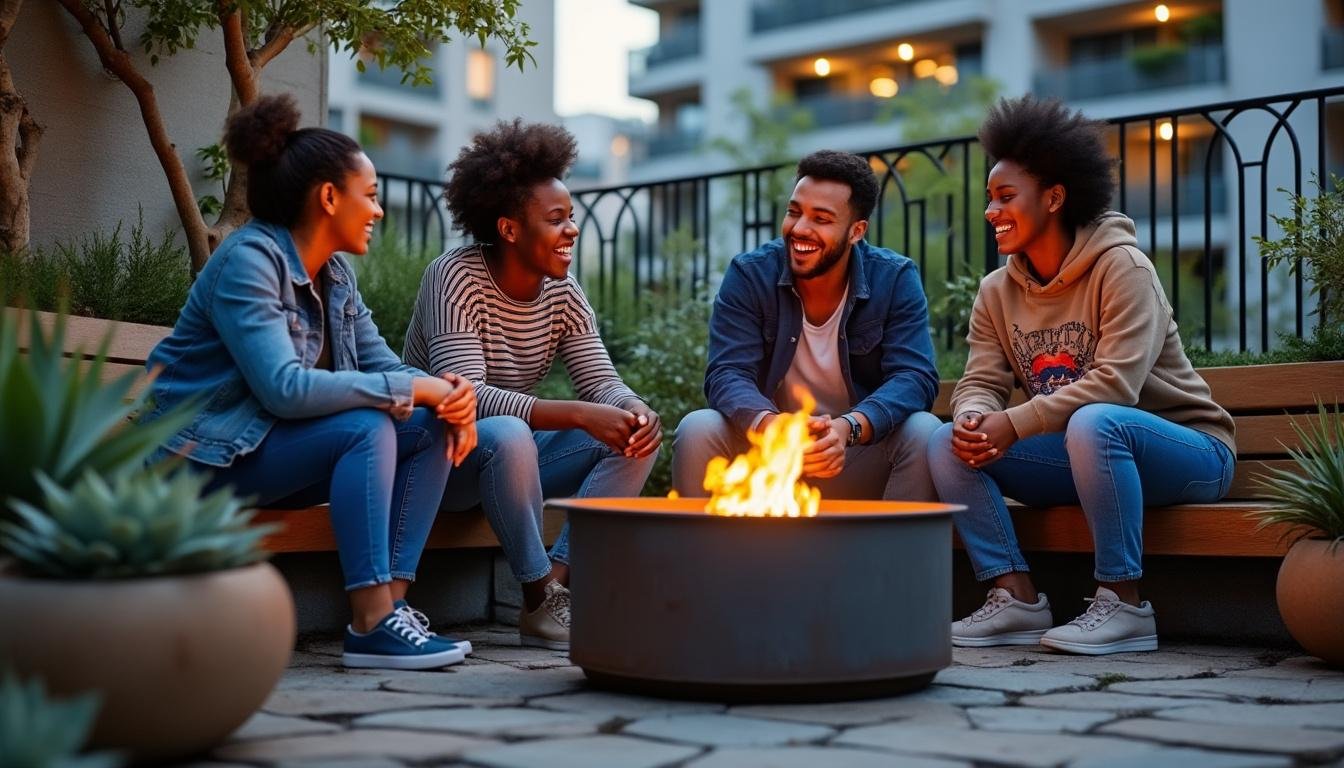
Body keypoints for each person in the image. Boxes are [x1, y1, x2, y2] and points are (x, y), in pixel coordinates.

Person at [142, 94, 478, 670]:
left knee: (427, 426)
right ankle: (371, 622)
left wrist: (444, 393)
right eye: (369, 196)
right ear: (329, 197)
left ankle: (391, 610)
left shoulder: (336, 276)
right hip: (198, 458)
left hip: (261, 452)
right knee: (369, 425)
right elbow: (284, 389)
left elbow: (385, 366)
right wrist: (411, 391)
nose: (377, 211)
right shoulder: (250, 260)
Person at [927, 96, 1236, 655]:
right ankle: (1014, 596)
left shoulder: (1123, 267)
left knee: (1095, 421)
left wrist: (1015, 423)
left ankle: (1123, 603)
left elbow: (1117, 384)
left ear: (1054, 197)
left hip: (1185, 452)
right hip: (1083, 453)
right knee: (944, 441)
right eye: (988, 199)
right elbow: (982, 379)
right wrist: (975, 414)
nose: (990, 212)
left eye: (1005, 197)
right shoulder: (997, 291)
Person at [403, 119, 660, 651]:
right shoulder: (454, 277)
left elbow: (601, 382)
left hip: (510, 461)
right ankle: (539, 592)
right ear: (510, 229)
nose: (572, 230)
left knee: (633, 438)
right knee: (510, 433)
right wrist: (577, 414)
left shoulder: (563, 293)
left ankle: (551, 597)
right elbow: (466, 397)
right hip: (441, 462)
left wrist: (632, 408)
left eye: (572, 218)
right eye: (556, 219)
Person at [672, 150, 942, 502]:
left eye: (821, 219)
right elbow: (727, 373)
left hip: (853, 455)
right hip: (769, 456)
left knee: (924, 432)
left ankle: (893, 557)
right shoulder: (751, 274)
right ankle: (708, 556)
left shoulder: (894, 278)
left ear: (856, 231)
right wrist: (774, 427)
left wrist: (848, 428)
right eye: (794, 212)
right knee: (698, 428)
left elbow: (915, 377)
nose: (800, 229)